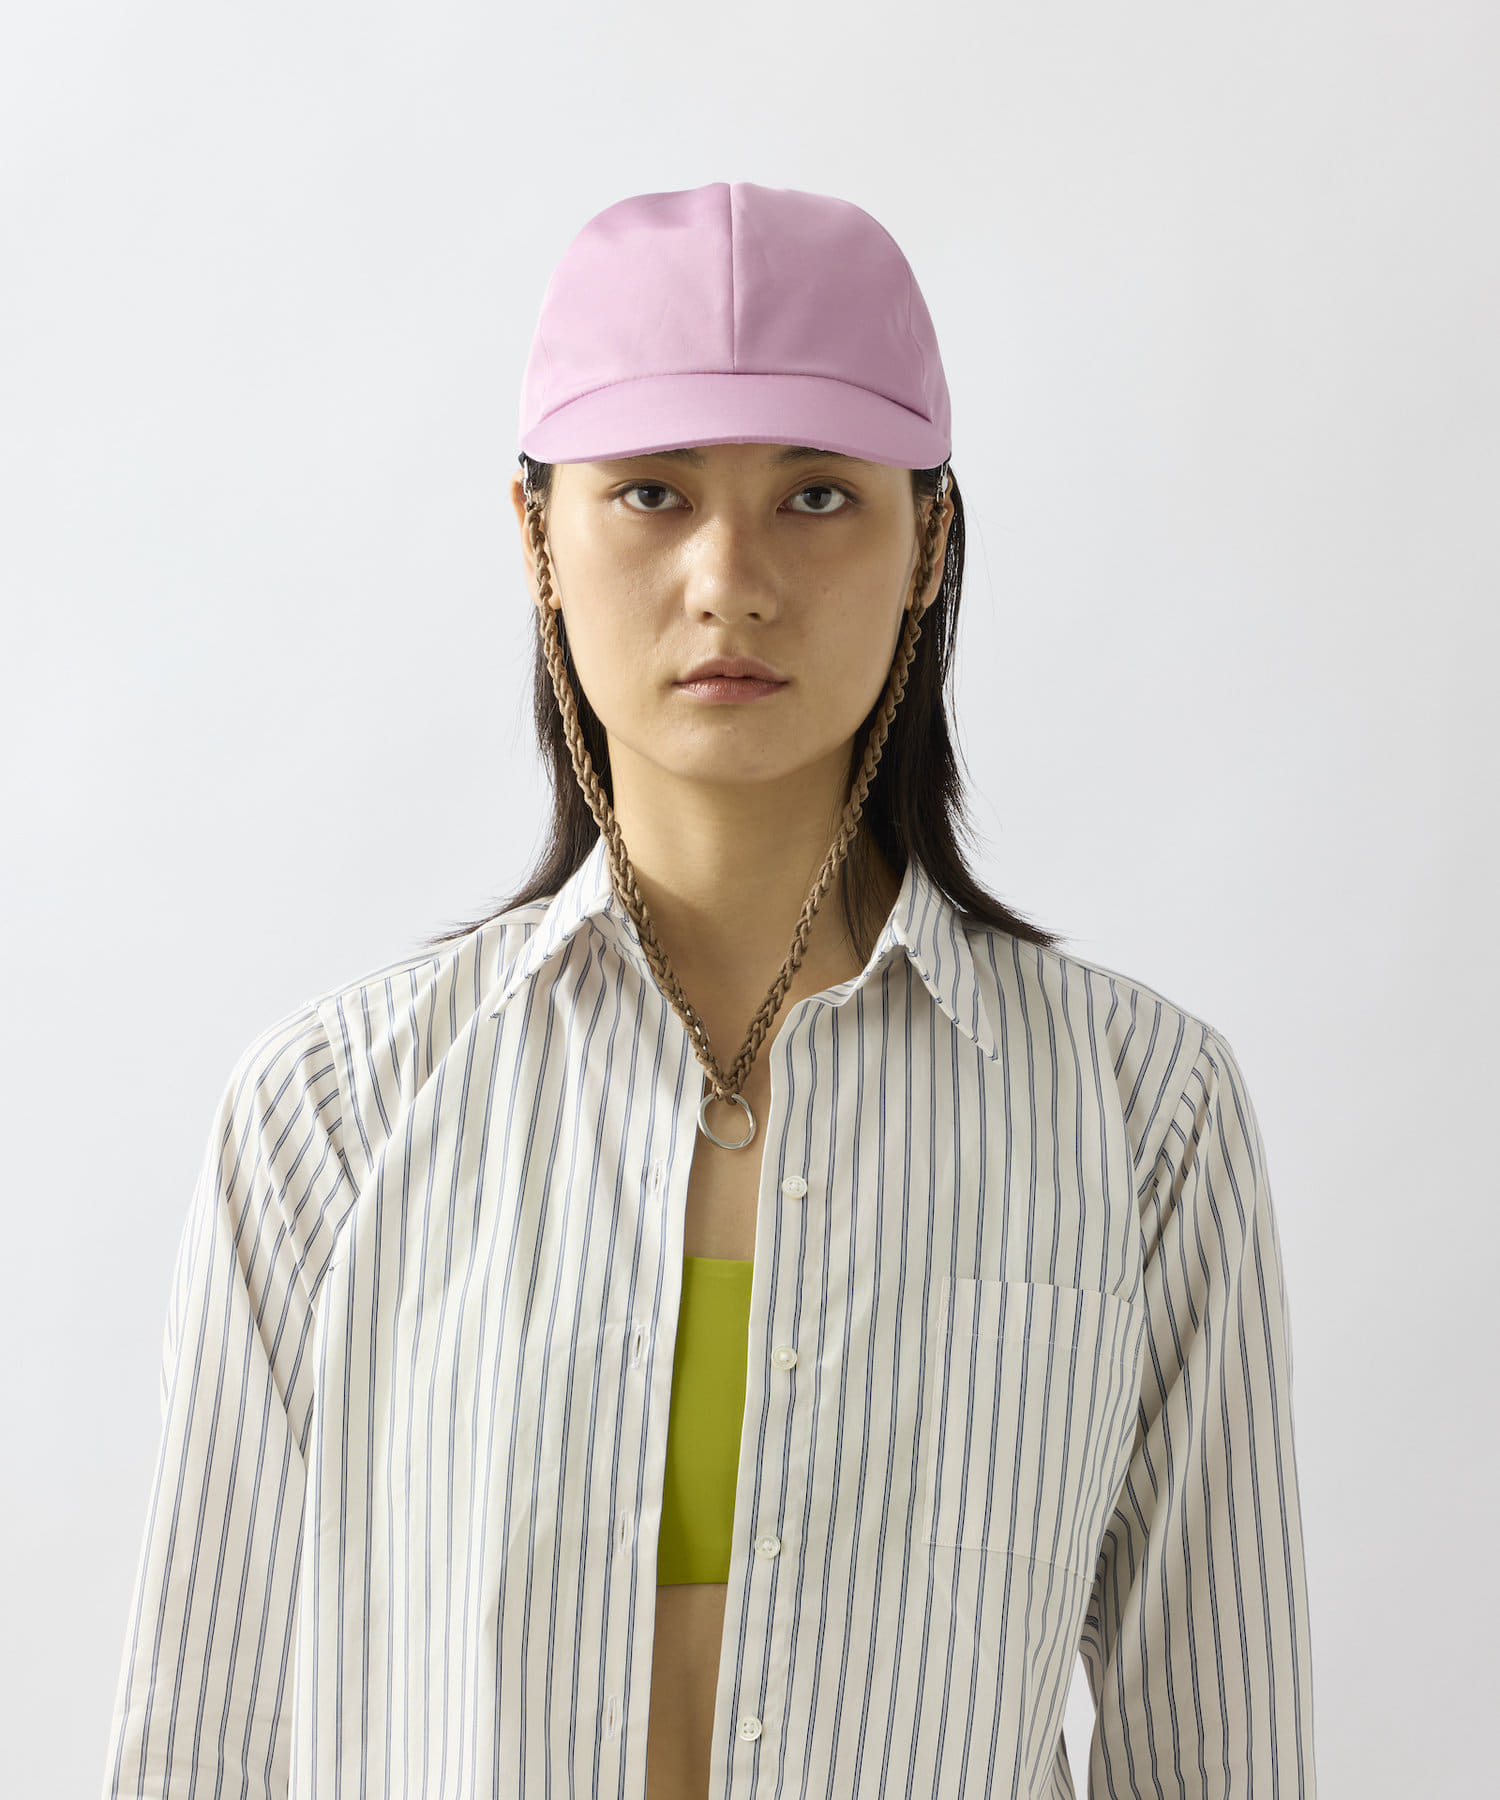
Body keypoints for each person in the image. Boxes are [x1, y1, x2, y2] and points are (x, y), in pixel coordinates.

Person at [102, 182, 1318, 1800]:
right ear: (536, 532)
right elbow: (202, 1749)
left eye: (817, 494)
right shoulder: (331, 1116)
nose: (730, 579)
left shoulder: (1139, 1113)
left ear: (929, 541)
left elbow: (1219, 1756)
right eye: (652, 492)